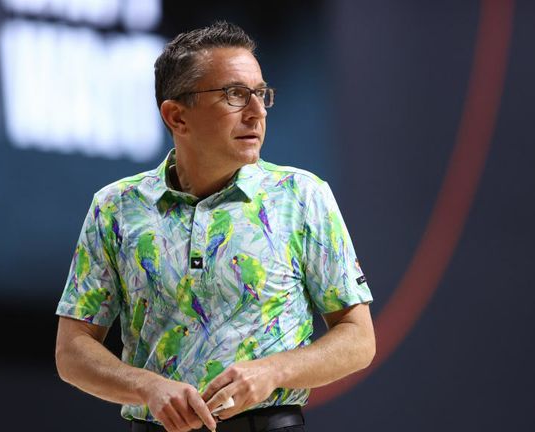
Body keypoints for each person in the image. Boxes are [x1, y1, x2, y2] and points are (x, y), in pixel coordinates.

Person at [54, 21, 375, 432]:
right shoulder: (116, 207)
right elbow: (72, 351)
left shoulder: (301, 196)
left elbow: (358, 338)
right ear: (176, 116)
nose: (257, 111)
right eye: (235, 95)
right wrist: (146, 387)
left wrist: (272, 372)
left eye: (260, 94)